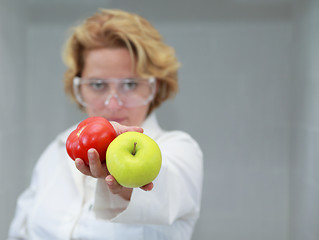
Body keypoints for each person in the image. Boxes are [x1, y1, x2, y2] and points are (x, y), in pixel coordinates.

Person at [8, 9, 203, 240]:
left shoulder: (180, 149)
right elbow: (21, 230)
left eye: (130, 84)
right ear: (78, 88)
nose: (113, 104)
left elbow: (167, 188)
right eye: (98, 85)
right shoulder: (58, 149)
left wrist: (127, 182)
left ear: (154, 88)